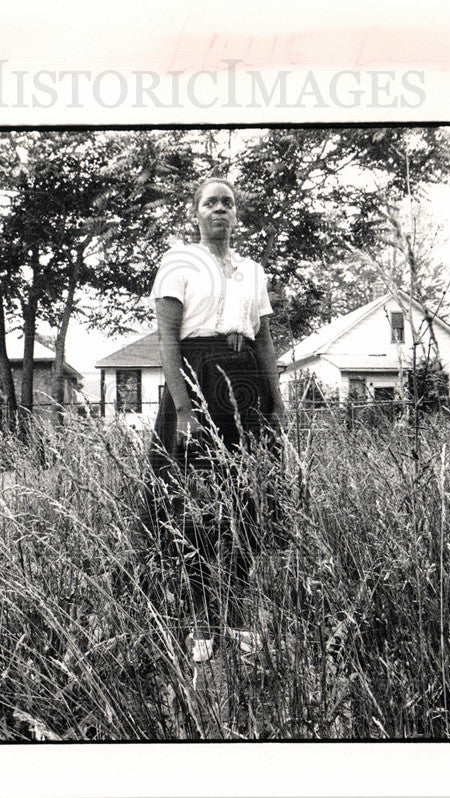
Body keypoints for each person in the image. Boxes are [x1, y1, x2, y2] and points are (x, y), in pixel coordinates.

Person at [144, 176, 286, 664]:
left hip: (245, 381)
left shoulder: (252, 270)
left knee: (246, 498)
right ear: (196, 212)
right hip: (196, 376)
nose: (220, 209)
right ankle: (201, 617)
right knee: (196, 502)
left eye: (228, 203)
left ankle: (240, 616)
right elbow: (166, 339)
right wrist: (183, 408)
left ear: (236, 213)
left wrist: (276, 401)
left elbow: (264, 337)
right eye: (210, 202)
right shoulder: (178, 261)